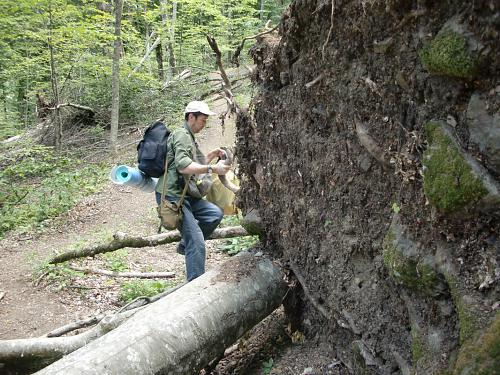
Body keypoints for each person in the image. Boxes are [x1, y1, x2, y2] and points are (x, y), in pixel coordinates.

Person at [155, 101, 230, 281]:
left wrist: (211, 156)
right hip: (173, 196)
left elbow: (194, 162)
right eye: (202, 120)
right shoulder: (181, 135)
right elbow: (183, 167)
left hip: (186, 194)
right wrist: (213, 169)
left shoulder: (188, 136)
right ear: (191, 117)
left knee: (213, 214)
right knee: (197, 241)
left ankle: (184, 245)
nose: (204, 124)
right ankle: (194, 288)